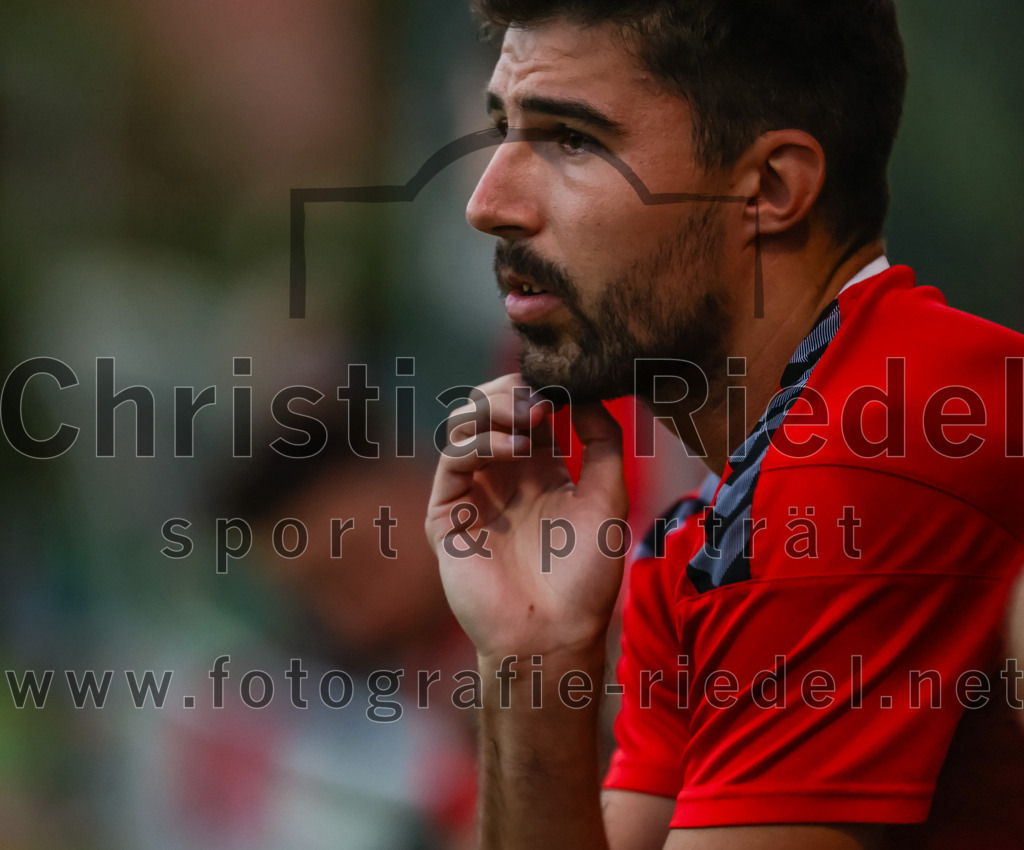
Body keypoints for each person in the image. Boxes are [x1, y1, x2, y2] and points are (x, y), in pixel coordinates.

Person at [425, 2, 1024, 849]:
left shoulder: (873, 453)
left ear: (771, 189)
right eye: (503, 130)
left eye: (573, 141)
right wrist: (535, 654)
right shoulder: (708, 535)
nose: (488, 203)